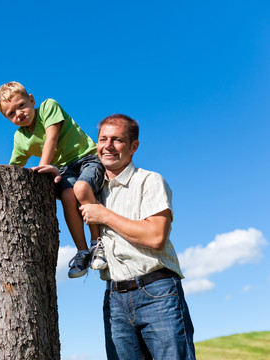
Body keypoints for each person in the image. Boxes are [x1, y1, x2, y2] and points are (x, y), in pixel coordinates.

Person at [79, 114, 196, 359]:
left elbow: (156, 237)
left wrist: (104, 215)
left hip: (157, 292)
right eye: (103, 139)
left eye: (117, 140)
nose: (108, 146)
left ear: (134, 147)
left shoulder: (149, 181)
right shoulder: (94, 189)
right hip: (114, 298)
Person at [0, 81, 106, 278]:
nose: (19, 114)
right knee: (67, 196)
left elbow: (51, 139)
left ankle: (97, 243)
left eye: (21, 105)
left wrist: (42, 166)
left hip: (87, 158)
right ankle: (82, 252)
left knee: (81, 188)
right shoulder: (20, 138)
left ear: (31, 100)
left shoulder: (48, 107)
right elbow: (12, 168)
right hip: (65, 170)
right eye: (11, 114)